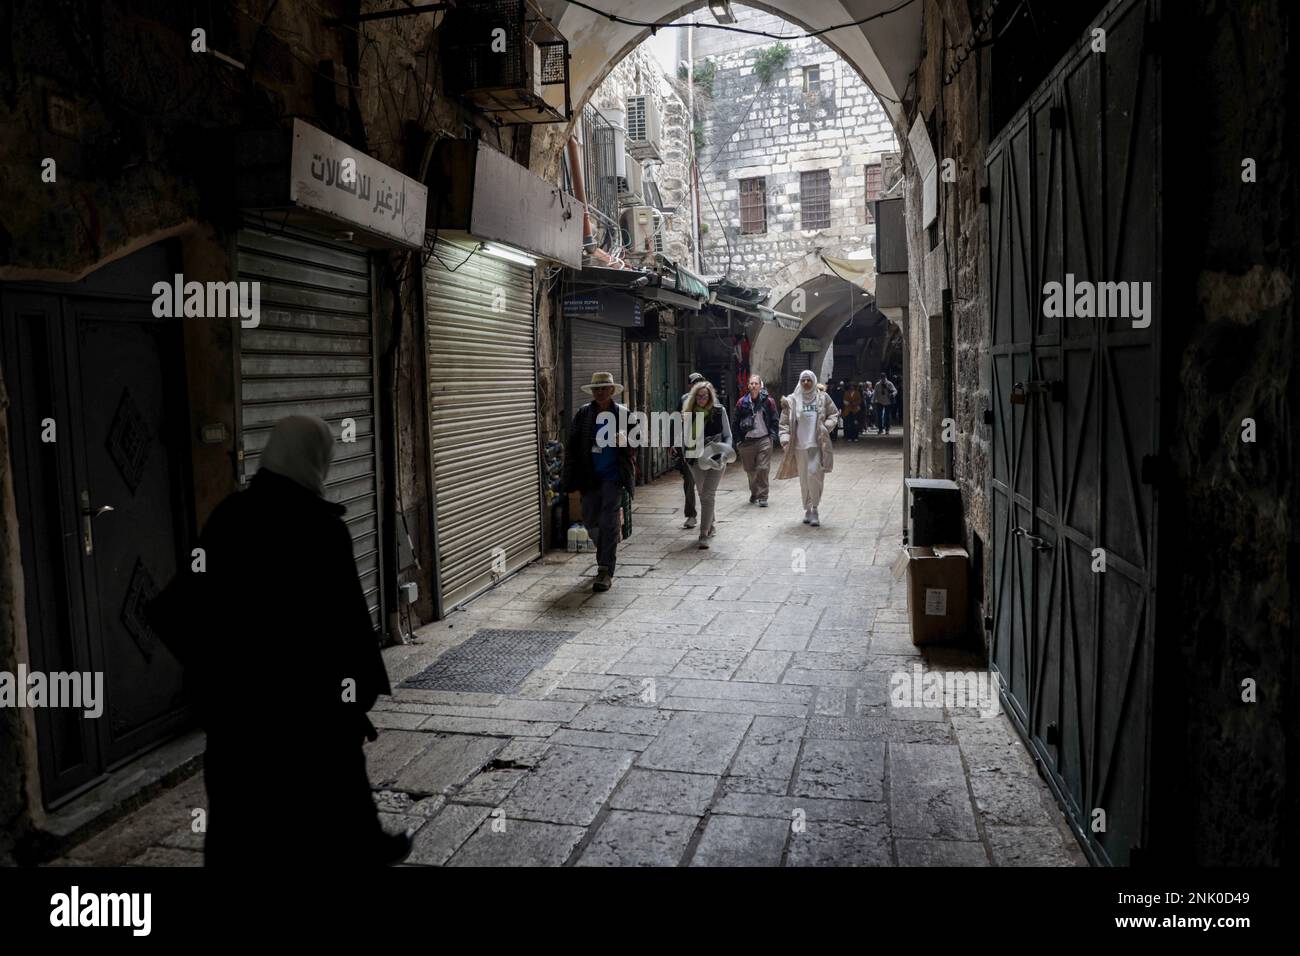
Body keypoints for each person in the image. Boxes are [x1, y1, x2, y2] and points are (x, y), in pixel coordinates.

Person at [147, 415, 408, 866]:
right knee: (333, 791)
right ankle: (367, 844)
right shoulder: (321, 529)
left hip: (238, 716)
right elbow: (345, 625)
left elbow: (178, 605)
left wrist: (212, 678)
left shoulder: (229, 517)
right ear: (315, 460)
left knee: (237, 819)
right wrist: (355, 695)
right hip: (308, 711)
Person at [563, 371, 637, 592]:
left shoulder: (624, 414)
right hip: (590, 477)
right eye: (597, 389)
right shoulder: (583, 414)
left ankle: (605, 569)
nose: (600, 392)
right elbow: (572, 447)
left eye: (604, 388)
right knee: (589, 519)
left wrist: (625, 441)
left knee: (608, 521)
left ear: (612, 391)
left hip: (614, 477)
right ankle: (607, 546)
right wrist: (569, 479)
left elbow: (637, 443)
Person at [775, 370, 840, 527]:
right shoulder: (792, 401)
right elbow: (783, 423)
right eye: (803, 380)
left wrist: (826, 427)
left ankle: (815, 508)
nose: (806, 383)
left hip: (817, 445)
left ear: (813, 381)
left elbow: (834, 414)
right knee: (804, 479)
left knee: (814, 474)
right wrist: (785, 440)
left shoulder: (823, 398)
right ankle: (808, 509)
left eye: (808, 380)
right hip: (798, 447)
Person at [683, 379, 733, 548]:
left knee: (707, 494)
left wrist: (726, 451)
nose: (701, 399)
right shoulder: (689, 413)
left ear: (710, 396)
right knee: (702, 493)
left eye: (704, 396)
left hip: (717, 459)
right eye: (698, 396)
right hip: (695, 459)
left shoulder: (719, 411)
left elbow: (728, 434)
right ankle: (710, 524)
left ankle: (703, 533)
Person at [733, 373, 780, 507]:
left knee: (763, 468)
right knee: (750, 471)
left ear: (760, 386)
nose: (754, 386)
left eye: (756, 383)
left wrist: (772, 436)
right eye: (751, 383)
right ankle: (754, 492)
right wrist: (738, 440)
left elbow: (775, 420)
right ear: (748, 386)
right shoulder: (742, 402)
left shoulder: (768, 401)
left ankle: (763, 496)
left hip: (764, 439)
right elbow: (735, 422)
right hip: (747, 441)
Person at [676, 371, 705, 529]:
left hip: (705, 446)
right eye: (695, 382)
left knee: (705, 485)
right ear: (690, 385)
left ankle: (709, 518)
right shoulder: (683, 400)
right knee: (689, 482)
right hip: (688, 447)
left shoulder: (708, 399)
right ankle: (691, 515)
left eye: (700, 382)